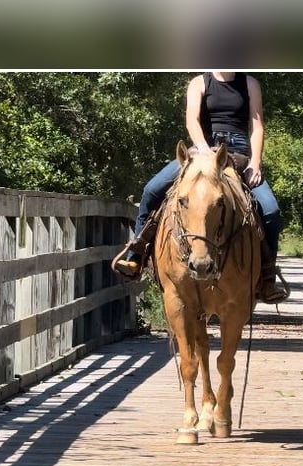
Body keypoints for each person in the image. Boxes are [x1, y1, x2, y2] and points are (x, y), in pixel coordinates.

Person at [114, 71, 288, 303]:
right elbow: (192, 121)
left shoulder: (250, 83)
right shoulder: (199, 83)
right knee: (152, 190)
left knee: (270, 210)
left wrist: (255, 163)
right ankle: (137, 255)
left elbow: (257, 126)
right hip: (201, 150)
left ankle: (266, 276)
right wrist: (204, 149)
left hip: (238, 154)